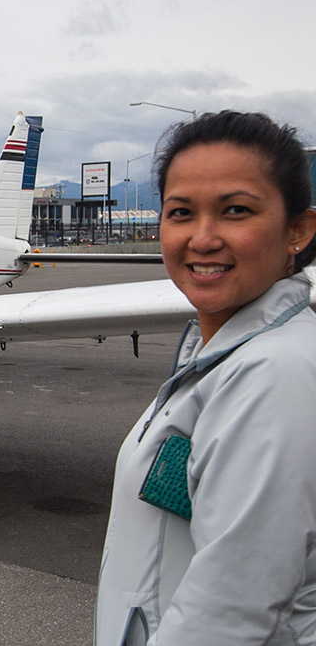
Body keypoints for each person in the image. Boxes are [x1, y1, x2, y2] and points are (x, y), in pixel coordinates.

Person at [95, 111, 316, 645]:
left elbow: (232, 610)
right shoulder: (223, 354)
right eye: (181, 212)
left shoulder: (276, 373)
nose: (203, 238)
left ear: (298, 230)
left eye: (236, 210)